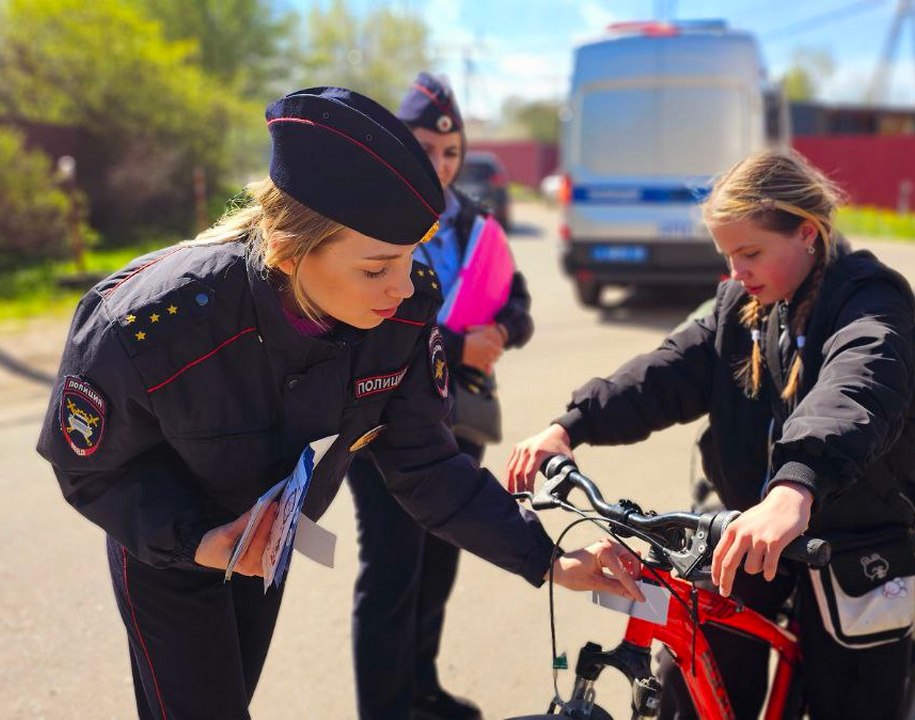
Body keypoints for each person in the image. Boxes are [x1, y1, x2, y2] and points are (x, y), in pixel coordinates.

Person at [36, 86, 643, 720]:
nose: (403, 288)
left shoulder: (403, 311)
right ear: (287, 251)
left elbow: (426, 466)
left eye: (411, 260)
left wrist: (546, 558)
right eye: (377, 268)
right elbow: (89, 466)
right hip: (167, 546)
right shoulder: (148, 326)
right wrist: (197, 540)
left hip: (263, 545)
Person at [507, 149, 915, 720]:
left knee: (851, 692)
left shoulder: (869, 300)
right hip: (749, 523)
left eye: (750, 252)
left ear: (807, 233)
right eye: (728, 255)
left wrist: (796, 487)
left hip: (850, 531)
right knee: (693, 669)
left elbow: (858, 384)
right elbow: (665, 373)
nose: (735, 272)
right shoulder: (742, 304)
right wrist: (571, 425)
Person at [344, 71, 529, 720]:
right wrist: (454, 346)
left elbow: (521, 302)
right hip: (384, 428)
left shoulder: (475, 222)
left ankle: (420, 691)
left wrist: (501, 330)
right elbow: (362, 328)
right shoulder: (367, 221)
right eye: (424, 149)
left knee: (439, 564)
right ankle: (384, 709)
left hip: (459, 424)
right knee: (393, 571)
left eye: (450, 153)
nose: (441, 164)